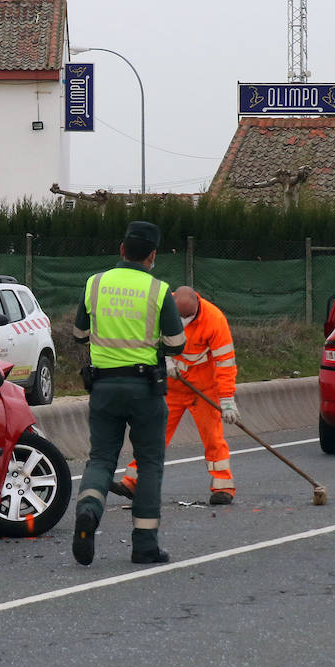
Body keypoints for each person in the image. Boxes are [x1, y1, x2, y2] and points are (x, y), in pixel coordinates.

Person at [71, 220, 186, 566]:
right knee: (149, 464)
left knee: (102, 459)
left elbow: (79, 334)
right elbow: (176, 344)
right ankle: (144, 544)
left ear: (122, 250)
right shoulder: (159, 290)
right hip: (145, 391)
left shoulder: (95, 284)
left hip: (103, 388)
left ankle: (89, 510)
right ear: (152, 255)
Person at [111, 285, 239, 505]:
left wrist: (227, 400)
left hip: (204, 390)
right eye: (179, 317)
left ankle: (223, 487)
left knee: (213, 438)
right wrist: (165, 359)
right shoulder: (161, 309)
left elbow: (225, 363)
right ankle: (133, 483)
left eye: (187, 317)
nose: (183, 322)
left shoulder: (214, 320)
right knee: (153, 436)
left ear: (197, 307)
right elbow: (147, 340)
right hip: (172, 387)